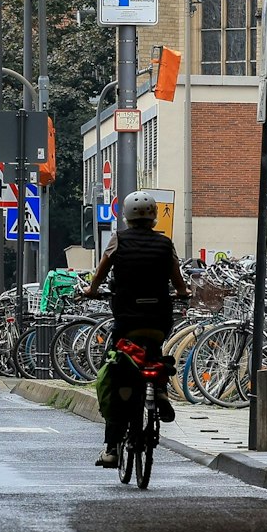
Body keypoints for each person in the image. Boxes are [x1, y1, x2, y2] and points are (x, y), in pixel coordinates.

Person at [83, 190, 191, 468]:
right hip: (158, 318)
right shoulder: (165, 244)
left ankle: (111, 449)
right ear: (154, 216)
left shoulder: (118, 239)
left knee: (117, 367)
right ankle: (161, 390)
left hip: (127, 319)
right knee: (154, 351)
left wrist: (91, 290)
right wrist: (182, 292)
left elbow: (101, 271)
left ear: (127, 217)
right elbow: (177, 278)